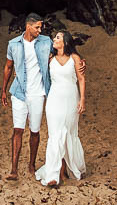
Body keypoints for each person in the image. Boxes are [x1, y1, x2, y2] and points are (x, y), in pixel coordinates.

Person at [2, 13, 52, 181]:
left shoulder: (46, 42)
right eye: (37, 27)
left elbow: (61, 54)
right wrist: (3, 90)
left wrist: (78, 61)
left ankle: (31, 164)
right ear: (28, 26)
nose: (40, 29)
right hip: (19, 93)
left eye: (41, 27)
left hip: (38, 93)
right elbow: (8, 67)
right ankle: (14, 169)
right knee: (17, 130)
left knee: (35, 131)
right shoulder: (13, 44)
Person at [35, 30, 86, 187]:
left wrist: (82, 99)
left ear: (65, 42)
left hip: (71, 98)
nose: (54, 39)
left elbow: (81, 79)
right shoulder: (50, 59)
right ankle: (53, 174)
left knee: (69, 132)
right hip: (54, 99)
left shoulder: (75, 58)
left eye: (58, 37)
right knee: (55, 134)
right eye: (54, 37)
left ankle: (66, 168)